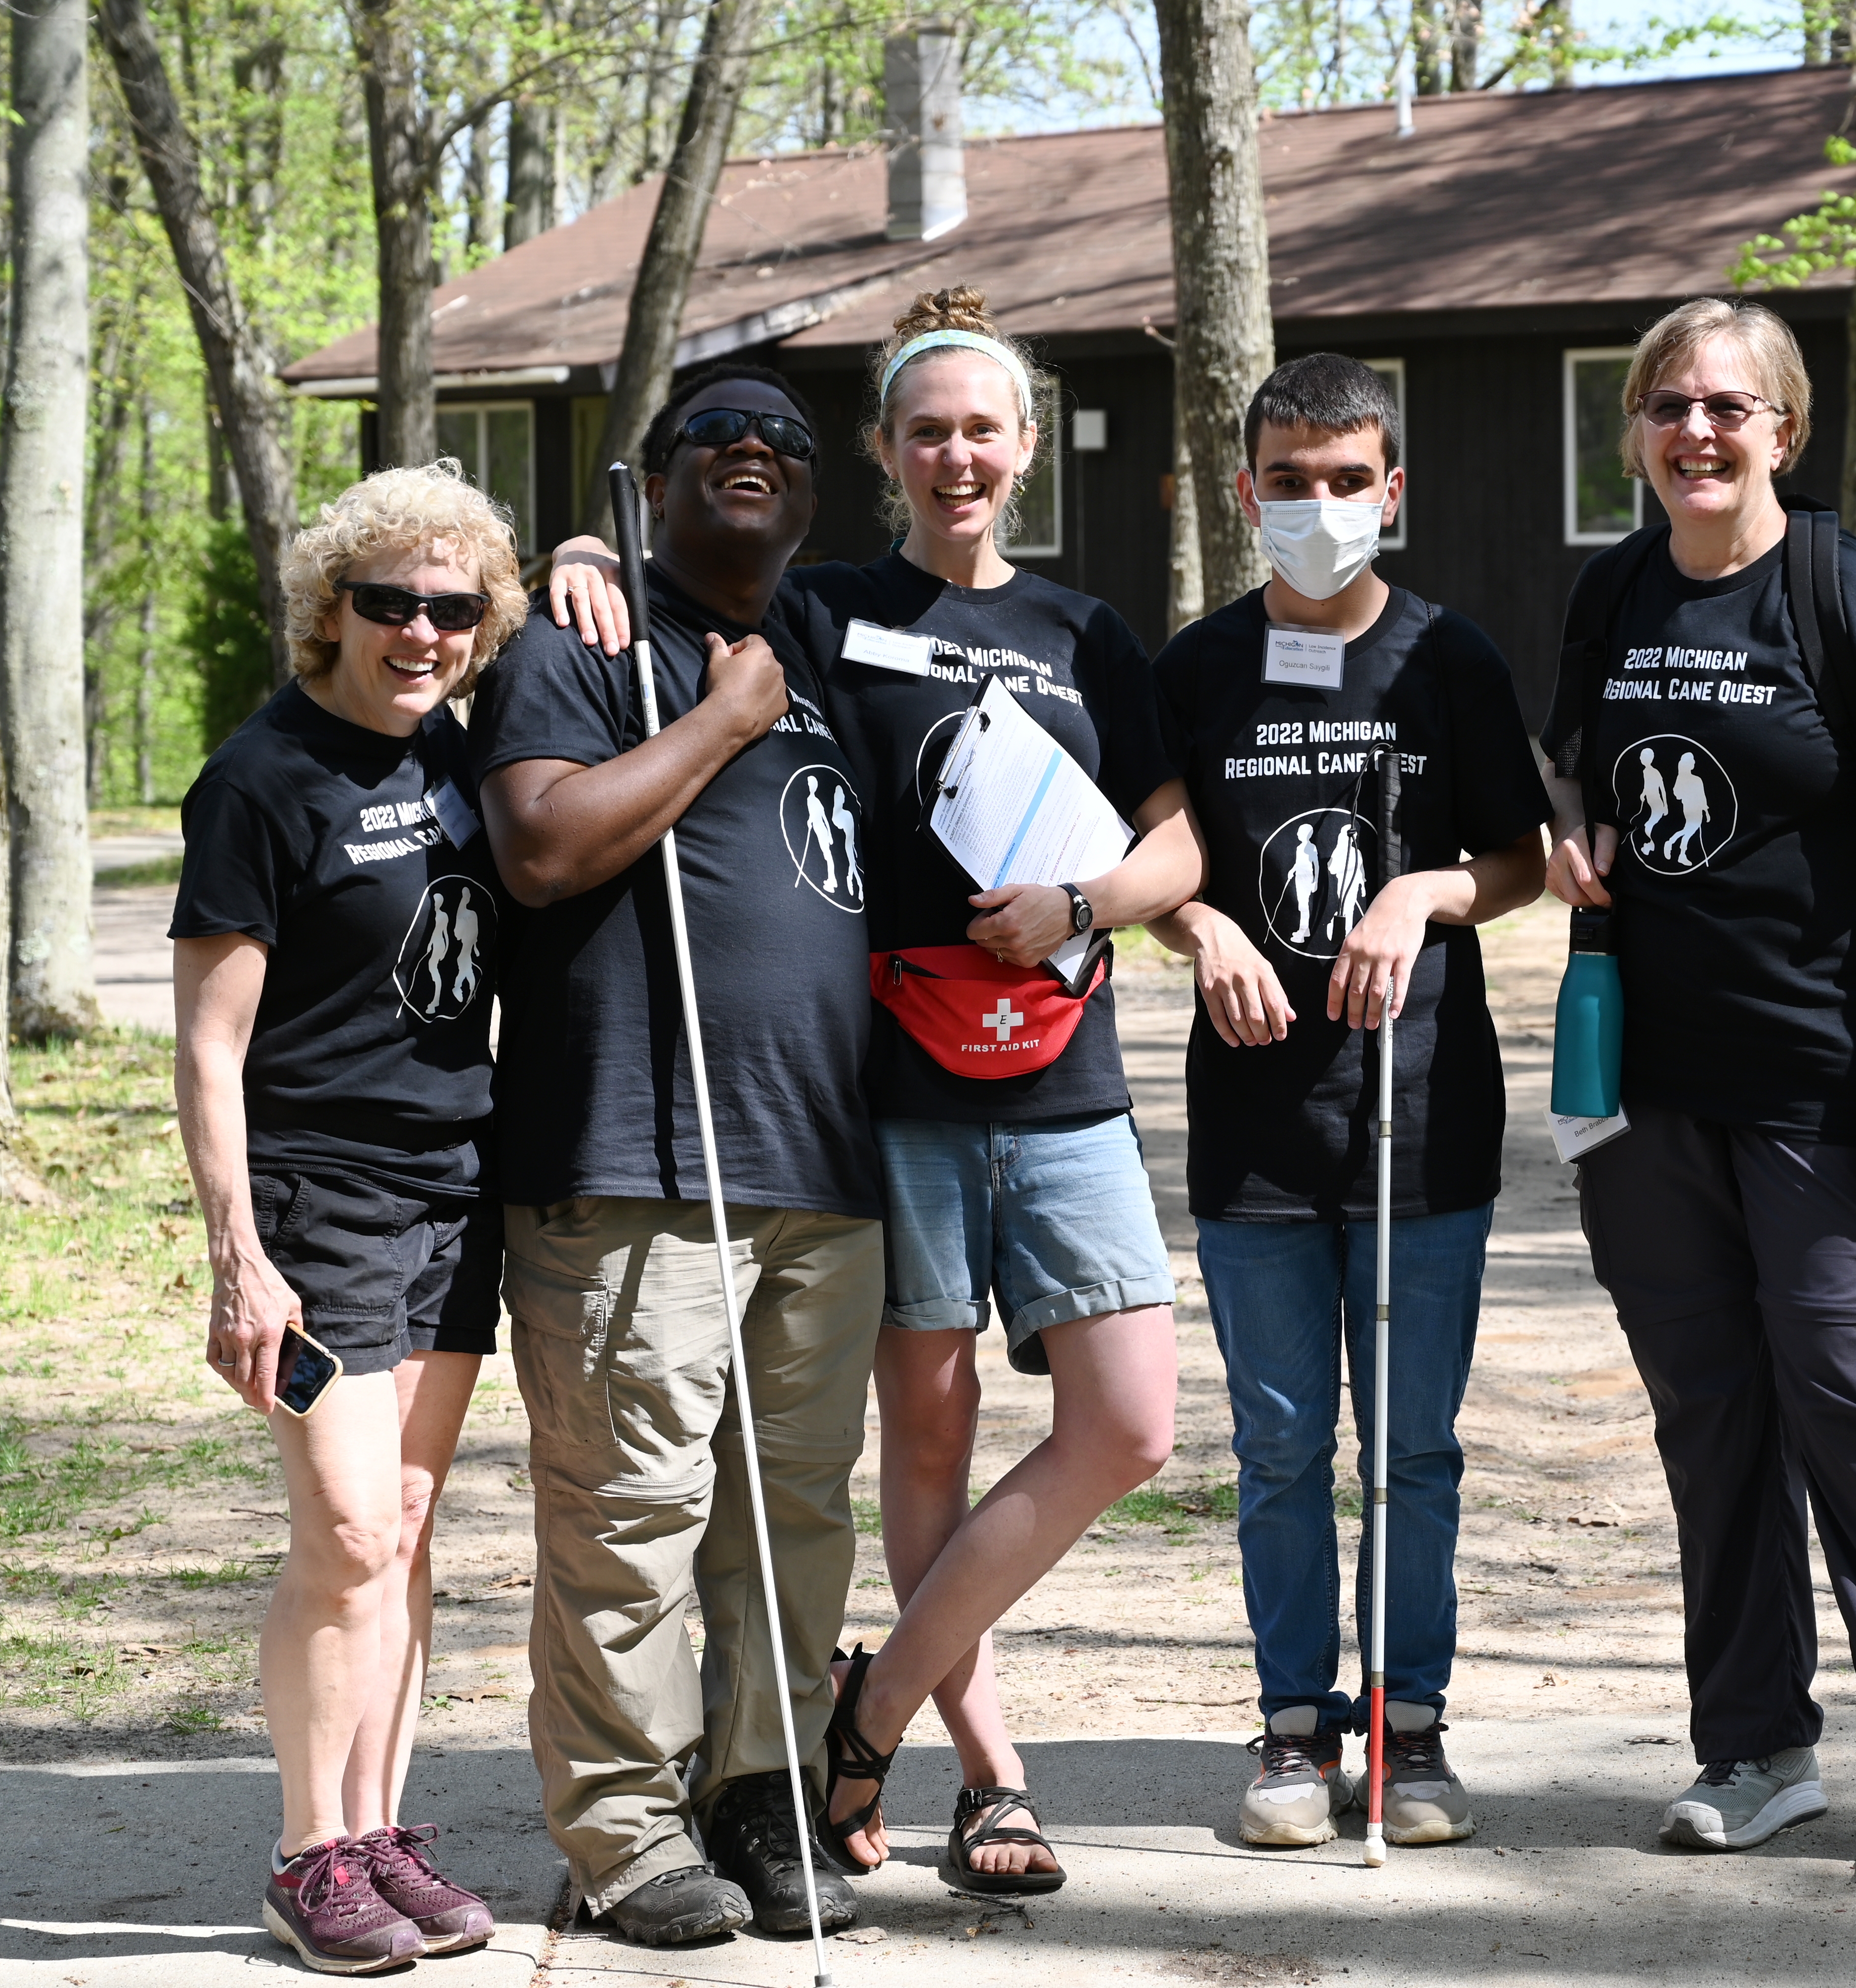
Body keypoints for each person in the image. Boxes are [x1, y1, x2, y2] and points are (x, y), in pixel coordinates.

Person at [1539, 296, 1856, 1875]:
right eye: (1670, 406)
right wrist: (1574, 842)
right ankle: (1755, 1747)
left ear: (1785, 433)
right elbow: (1585, 782)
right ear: (1637, 432)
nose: (1698, 432)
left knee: (1855, 1407)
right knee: (1712, 1424)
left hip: (1827, 1087)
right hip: (1650, 1098)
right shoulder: (1611, 595)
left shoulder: (1847, 592)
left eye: (1731, 408)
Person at [771, 288, 1199, 1895]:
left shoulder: (1088, 633)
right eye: (927, 430)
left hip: (1067, 1082)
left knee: (1131, 1425)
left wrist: (1088, 907)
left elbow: (1175, 840)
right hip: (898, 1086)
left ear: (1026, 450)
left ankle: (868, 1707)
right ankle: (991, 1776)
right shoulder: (824, 610)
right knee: (930, 1443)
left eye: (983, 429)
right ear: (889, 452)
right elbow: (691, 624)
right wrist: (592, 567)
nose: (958, 454)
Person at [476, 364, 877, 1947]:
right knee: (628, 1520)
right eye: (723, 436)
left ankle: (758, 1793)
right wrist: (713, 716)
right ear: (658, 475)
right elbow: (544, 846)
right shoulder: (580, 647)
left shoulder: (828, 645)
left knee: (792, 1518)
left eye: (787, 442)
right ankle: (624, 1831)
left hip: (821, 1167)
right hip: (644, 1156)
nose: (760, 454)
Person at [1147, 354, 1551, 1852]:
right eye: (1289, 481)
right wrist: (1204, 932)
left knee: (1417, 1449)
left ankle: (1412, 1725)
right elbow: (1157, 861)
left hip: (1424, 1119)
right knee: (1276, 1448)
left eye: (1346, 480)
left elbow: (1516, 857)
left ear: (1394, 490)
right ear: (1246, 489)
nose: (1317, 508)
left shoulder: (1453, 660)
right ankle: (1292, 1728)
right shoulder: (1193, 670)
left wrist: (1428, 895)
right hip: (1256, 1124)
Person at [171, 461, 526, 1975]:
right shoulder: (265, 777)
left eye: (454, 608)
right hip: (323, 1202)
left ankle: (381, 1830)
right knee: (348, 1527)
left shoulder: (456, 755)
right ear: (334, 609)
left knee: (413, 1526)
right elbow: (208, 1042)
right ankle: (307, 1851)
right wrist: (239, 1256)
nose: (423, 632)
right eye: (391, 602)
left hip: (459, 1190)